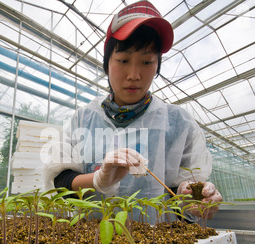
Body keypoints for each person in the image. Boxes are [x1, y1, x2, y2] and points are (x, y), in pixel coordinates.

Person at [43, 1, 222, 224]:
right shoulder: (84, 119)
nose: (134, 75)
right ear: (107, 63)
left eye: (147, 61)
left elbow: (180, 195)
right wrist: (98, 180)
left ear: (158, 66)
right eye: (123, 60)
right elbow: (61, 181)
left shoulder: (178, 122)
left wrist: (193, 197)